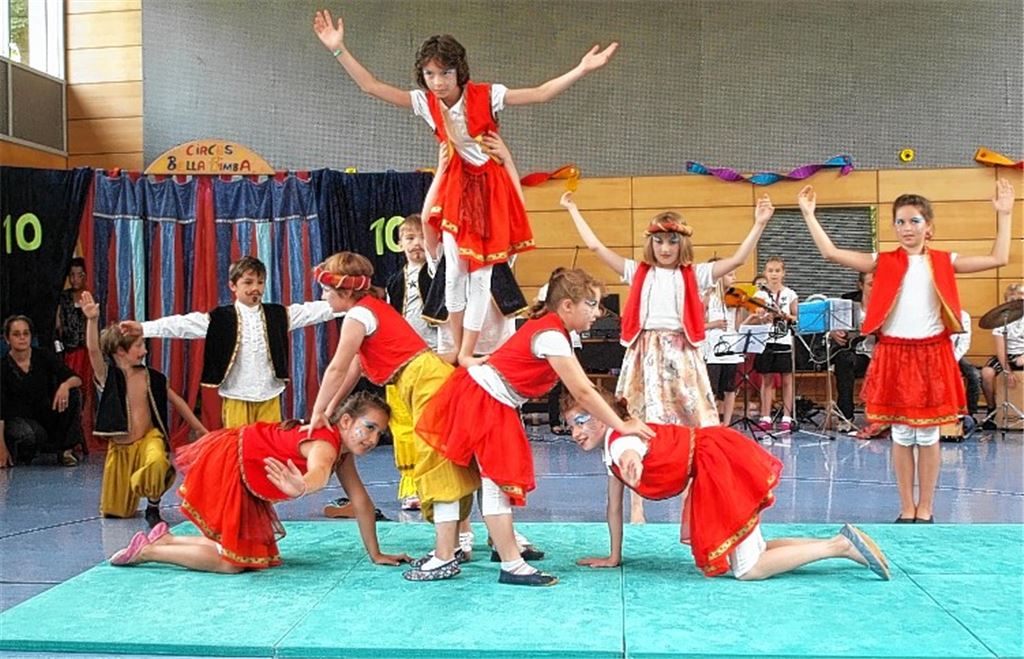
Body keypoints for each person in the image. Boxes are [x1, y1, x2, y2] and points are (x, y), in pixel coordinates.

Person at [313, 9, 617, 365]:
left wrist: (581, 68)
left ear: (460, 72)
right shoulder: (425, 102)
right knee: (454, 272)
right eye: (430, 74)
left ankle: (469, 350)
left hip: (489, 186)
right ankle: (458, 348)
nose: (438, 81)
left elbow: (540, 93)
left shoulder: (487, 96)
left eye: (445, 73)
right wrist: (338, 49)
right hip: (456, 184)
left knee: (481, 275)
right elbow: (372, 86)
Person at [416, 268, 655, 586]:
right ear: (567, 306)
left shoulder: (553, 331)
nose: (598, 312)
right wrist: (623, 426)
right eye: (591, 304)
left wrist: (620, 420)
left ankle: (499, 551)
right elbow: (582, 391)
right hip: (484, 401)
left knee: (491, 482)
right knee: (496, 483)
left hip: (483, 398)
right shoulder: (552, 336)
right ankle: (509, 563)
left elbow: (582, 389)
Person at [798, 179, 1013, 523]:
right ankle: (906, 506)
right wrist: (809, 214)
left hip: (931, 354)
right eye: (900, 221)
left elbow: (999, 257)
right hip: (894, 354)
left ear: (929, 227)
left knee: (927, 434)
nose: (906, 227)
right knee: (901, 432)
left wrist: (1005, 214)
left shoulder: (945, 260)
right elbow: (831, 253)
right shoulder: (882, 261)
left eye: (914, 220)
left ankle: (925, 507)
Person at [561, 191, 774, 522]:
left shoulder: (696, 274)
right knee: (635, 419)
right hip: (644, 355)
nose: (664, 248)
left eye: (672, 241)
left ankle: (692, 504)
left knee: (694, 426)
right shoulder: (638, 271)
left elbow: (735, 261)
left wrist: (759, 224)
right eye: (659, 240)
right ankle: (636, 505)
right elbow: (596, 249)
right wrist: (573, 209)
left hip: (682, 355)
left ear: (681, 244)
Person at [558, 385, 890, 581]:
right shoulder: (612, 447)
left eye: (581, 422)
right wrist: (613, 555)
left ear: (602, 415)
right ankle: (843, 542)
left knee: (748, 569)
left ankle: (839, 547)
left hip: (717, 464)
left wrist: (632, 461)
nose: (575, 433)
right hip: (715, 458)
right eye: (570, 426)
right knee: (752, 550)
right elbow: (613, 506)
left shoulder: (619, 440)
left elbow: (630, 452)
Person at [305, 251, 479, 583]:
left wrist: (315, 412)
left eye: (327, 290)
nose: (324, 297)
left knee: (436, 463)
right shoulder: (372, 311)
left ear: (343, 291)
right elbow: (355, 370)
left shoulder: (358, 315)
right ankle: (451, 546)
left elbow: (338, 367)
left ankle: (445, 556)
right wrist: (328, 410)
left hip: (424, 383)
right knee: (444, 460)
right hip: (422, 380)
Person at [108, 392, 409, 572]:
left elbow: (361, 503)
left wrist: (376, 554)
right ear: (346, 422)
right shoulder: (326, 445)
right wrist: (304, 485)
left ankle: (167, 539)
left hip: (244, 467)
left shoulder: (341, 453)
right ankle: (149, 551)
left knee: (252, 554)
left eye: (378, 434)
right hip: (232, 463)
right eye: (368, 428)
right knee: (233, 562)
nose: (372, 439)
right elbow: (317, 471)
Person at [120, 256, 335, 428]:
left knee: (268, 449)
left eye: (260, 282)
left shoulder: (278, 314)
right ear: (233, 286)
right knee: (238, 448)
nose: (256, 288)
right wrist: (144, 327)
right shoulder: (221, 318)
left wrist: (349, 303)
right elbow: (182, 325)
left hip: (269, 394)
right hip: (236, 395)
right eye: (248, 282)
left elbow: (311, 312)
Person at [82, 292, 208, 527]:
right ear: (120, 351)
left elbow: (177, 401)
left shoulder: (153, 378)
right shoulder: (108, 376)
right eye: (139, 346)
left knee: (157, 462)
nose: (145, 351)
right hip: (121, 450)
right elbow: (93, 351)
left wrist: (200, 429)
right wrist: (91, 320)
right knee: (115, 513)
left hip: (149, 439)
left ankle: (153, 505)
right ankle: (130, 490)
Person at [386, 215, 439, 510]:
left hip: (433, 355)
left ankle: (433, 482)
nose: (416, 244)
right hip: (402, 359)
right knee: (403, 424)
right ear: (399, 244)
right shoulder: (394, 280)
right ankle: (411, 485)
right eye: (409, 238)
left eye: (421, 237)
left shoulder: (438, 273)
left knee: (430, 421)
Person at [0, 315, 83, 467]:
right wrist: (1, 448)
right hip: (17, 420)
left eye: (26, 333)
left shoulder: (43, 356)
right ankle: (21, 453)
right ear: (7, 339)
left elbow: (76, 379)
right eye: (16, 334)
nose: (22, 338)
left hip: (45, 413)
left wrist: (65, 386)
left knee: (74, 393)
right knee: (30, 435)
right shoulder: (3, 367)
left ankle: (66, 451)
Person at [742, 257, 798, 432]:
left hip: (784, 341)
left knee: (787, 379)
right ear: (765, 273)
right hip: (765, 341)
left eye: (777, 271)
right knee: (767, 380)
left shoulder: (790, 294)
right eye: (770, 271)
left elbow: (797, 319)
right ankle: (765, 416)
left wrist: (786, 316)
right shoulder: (760, 295)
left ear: (783, 273)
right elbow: (754, 316)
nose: (774, 274)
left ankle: (787, 416)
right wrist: (761, 316)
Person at [55, 256, 95, 453]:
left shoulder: (89, 297)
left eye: (78, 275)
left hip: (86, 352)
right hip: (69, 352)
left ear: (85, 276)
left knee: (86, 393)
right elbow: (58, 325)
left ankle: (82, 432)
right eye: (71, 275)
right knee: (72, 391)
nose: (75, 279)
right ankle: (70, 435)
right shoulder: (63, 298)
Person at [830, 272, 875, 433]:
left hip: (882, 353)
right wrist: (834, 332)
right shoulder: (848, 301)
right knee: (843, 359)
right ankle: (845, 415)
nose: (875, 287)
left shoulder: (888, 301)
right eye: (870, 284)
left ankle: (890, 416)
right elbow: (835, 325)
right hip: (860, 352)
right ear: (861, 285)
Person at [702, 261, 743, 426]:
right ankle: (711, 422)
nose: (734, 278)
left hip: (731, 347)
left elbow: (738, 326)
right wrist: (714, 324)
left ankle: (726, 423)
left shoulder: (734, 297)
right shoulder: (708, 297)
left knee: (729, 387)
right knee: (711, 387)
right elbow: (697, 325)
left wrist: (741, 310)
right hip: (713, 348)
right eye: (730, 274)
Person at [980, 283, 1024, 430]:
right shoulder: (1001, 321)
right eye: (1013, 299)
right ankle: (991, 410)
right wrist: (1007, 370)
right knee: (986, 373)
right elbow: (1001, 349)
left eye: (1021, 298)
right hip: (1008, 355)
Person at [951, 309, 981, 433]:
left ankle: (971, 414)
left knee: (974, 376)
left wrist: (953, 360)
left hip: (954, 355)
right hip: (934, 355)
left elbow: (964, 343)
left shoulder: (963, 316)